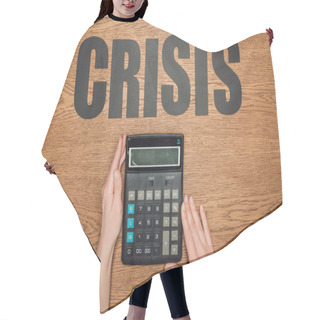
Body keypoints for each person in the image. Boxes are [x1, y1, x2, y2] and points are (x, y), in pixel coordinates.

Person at [44, 1, 274, 319]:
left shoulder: (150, 36)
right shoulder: (94, 37)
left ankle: (141, 314)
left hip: (156, 147)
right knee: (150, 232)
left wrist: (252, 56)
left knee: (161, 229)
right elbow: (76, 103)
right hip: (118, 154)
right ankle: (168, 316)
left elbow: (199, 70)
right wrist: (65, 152)